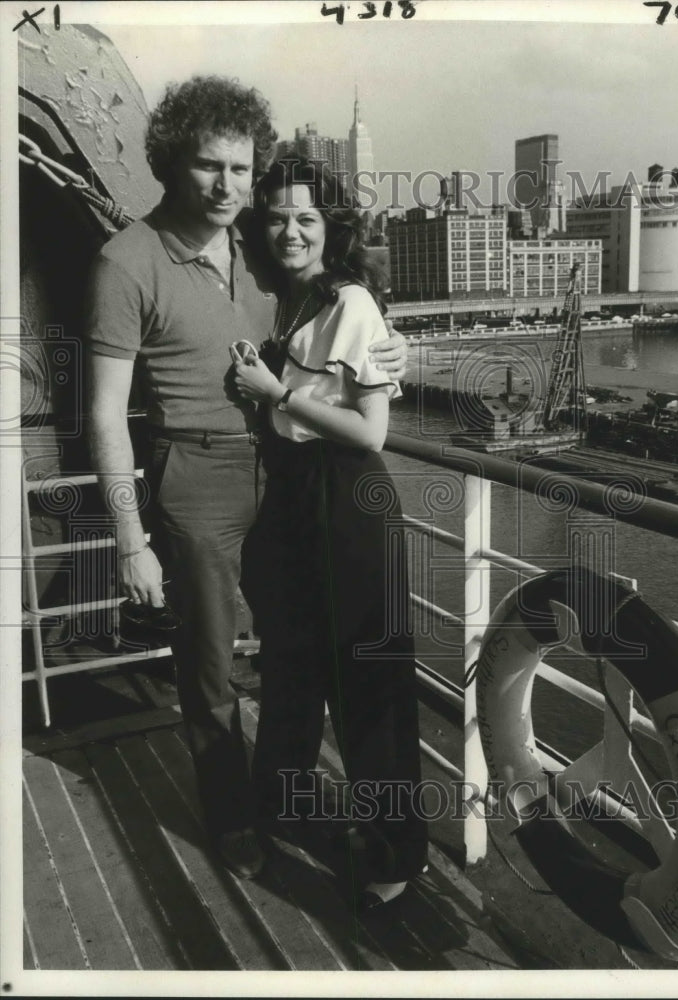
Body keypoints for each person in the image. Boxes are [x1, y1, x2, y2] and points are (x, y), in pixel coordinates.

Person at [85, 77, 407, 879]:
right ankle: (232, 818)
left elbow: (338, 303)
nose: (227, 187)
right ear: (170, 163)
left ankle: (286, 799)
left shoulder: (260, 248)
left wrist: (393, 353)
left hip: (291, 473)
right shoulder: (125, 262)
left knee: (299, 656)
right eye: (207, 167)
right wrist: (131, 540)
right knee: (211, 666)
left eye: (240, 169)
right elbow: (102, 415)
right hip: (195, 477)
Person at [232, 158, 428, 909]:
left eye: (307, 219)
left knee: (370, 688)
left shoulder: (349, 302)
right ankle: (288, 809)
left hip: (348, 501)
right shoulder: (286, 303)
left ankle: (397, 856)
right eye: (278, 217)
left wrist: (275, 391)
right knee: (294, 666)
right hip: (296, 501)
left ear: (330, 228)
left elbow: (370, 429)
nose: (291, 231)